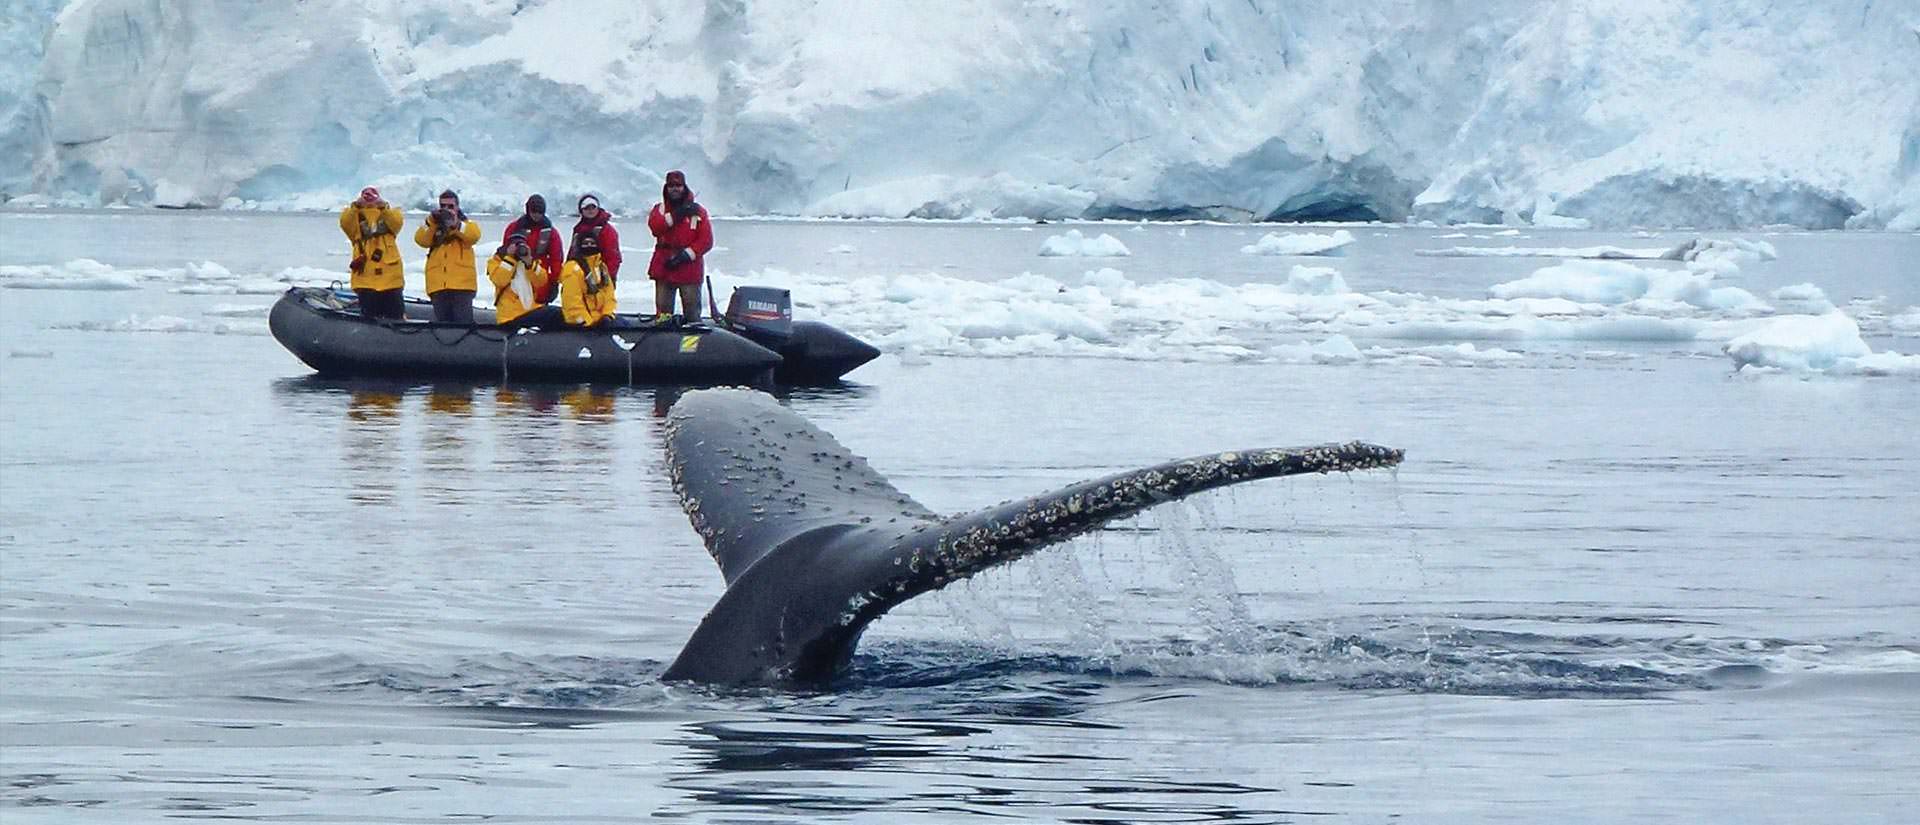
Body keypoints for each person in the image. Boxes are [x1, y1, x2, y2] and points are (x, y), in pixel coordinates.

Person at [646, 170, 714, 324]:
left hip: (689, 268)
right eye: (671, 186)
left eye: (678, 185)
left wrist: (686, 255)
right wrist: (677, 215)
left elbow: (706, 240)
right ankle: (663, 341)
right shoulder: (660, 209)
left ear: (684, 187)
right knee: (663, 314)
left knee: (692, 312)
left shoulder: (698, 212)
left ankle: (694, 343)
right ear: (666, 188)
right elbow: (655, 227)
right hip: (665, 266)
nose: (674, 189)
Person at [413, 189, 483, 323]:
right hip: (438, 286)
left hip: (462, 287)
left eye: (450, 206)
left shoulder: (467, 225)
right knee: (442, 328)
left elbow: (473, 236)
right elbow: (420, 240)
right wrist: (431, 221)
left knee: (463, 326)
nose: (446, 210)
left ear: (457, 207)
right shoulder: (433, 226)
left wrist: (455, 224)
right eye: (443, 206)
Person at [338, 186, 406, 319]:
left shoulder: (391, 214)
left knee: (396, 319)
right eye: (366, 195)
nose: (369, 198)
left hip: (391, 281)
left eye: (372, 195)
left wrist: (382, 206)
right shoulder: (354, 218)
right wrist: (356, 206)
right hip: (366, 282)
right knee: (369, 322)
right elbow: (345, 222)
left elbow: (397, 222)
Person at [485, 231, 561, 328]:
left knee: (559, 314)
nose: (519, 249)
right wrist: (510, 258)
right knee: (551, 312)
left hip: (530, 312)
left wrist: (530, 264)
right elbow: (500, 280)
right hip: (510, 317)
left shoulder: (528, 262)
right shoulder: (496, 262)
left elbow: (542, 281)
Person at [500, 194, 565, 304]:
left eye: (540, 212)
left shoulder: (551, 233)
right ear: (528, 210)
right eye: (534, 211)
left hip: (539, 281)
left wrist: (554, 282)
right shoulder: (513, 228)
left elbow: (556, 259)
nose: (536, 215)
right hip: (517, 278)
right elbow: (505, 252)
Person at [559, 231, 619, 327]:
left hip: (601, 319)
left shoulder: (601, 267)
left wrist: (607, 315)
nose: (589, 246)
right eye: (585, 244)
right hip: (585, 323)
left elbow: (609, 295)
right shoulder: (572, 269)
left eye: (592, 243)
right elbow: (572, 302)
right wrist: (588, 323)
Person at [568, 194, 622, 285]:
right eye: (587, 208)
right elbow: (573, 252)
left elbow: (613, 256)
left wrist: (609, 277)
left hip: (601, 275)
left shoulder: (607, 230)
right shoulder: (578, 229)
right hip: (580, 274)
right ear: (581, 211)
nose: (590, 210)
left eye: (593, 207)